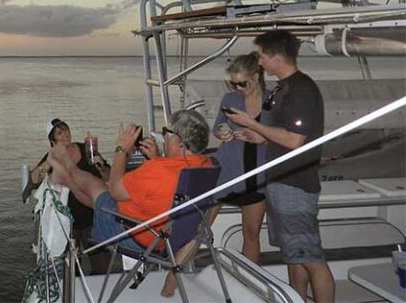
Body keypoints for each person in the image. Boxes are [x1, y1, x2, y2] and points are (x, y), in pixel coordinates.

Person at [48, 110, 211, 296]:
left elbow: (116, 190)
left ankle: (67, 167)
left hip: (132, 232)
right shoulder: (206, 167)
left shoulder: (159, 170)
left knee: (98, 187)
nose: (163, 136)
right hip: (166, 234)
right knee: (100, 195)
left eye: (167, 132)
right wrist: (157, 159)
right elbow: (172, 186)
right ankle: (67, 178)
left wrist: (121, 150)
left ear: (179, 141)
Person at [225, 30, 335, 303]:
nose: (259, 62)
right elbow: (282, 134)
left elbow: (295, 140)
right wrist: (259, 136)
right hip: (280, 183)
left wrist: (252, 124)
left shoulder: (301, 90)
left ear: (276, 57)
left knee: (311, 259)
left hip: (295, 186)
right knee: (294, 256)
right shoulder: (283, 88)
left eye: (262, 55)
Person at [209, 53, 267, 264]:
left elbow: (287, 138)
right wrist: (221, 132)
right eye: (232, 84)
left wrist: (262, 138)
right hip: (226, 173)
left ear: (256, 76)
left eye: (242, 83)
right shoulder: (230, 99)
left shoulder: (273, 100)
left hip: (256, 176)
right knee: (200, 228)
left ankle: (251, 283)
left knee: (251, 235)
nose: (237, 89)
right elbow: (217, 126)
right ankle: (177, 274)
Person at [29, 118, 110, 258]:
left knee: (101, 261)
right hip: (67, 220)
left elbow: (108, 177)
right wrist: (50, 161)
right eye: (60, 133)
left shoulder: (87, 149)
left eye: (66, 130)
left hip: (92, 214)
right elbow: (33, 181)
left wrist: (102, 166)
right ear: (53, 140)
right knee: (71, 266)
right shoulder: (52, 157)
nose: (65, 134)